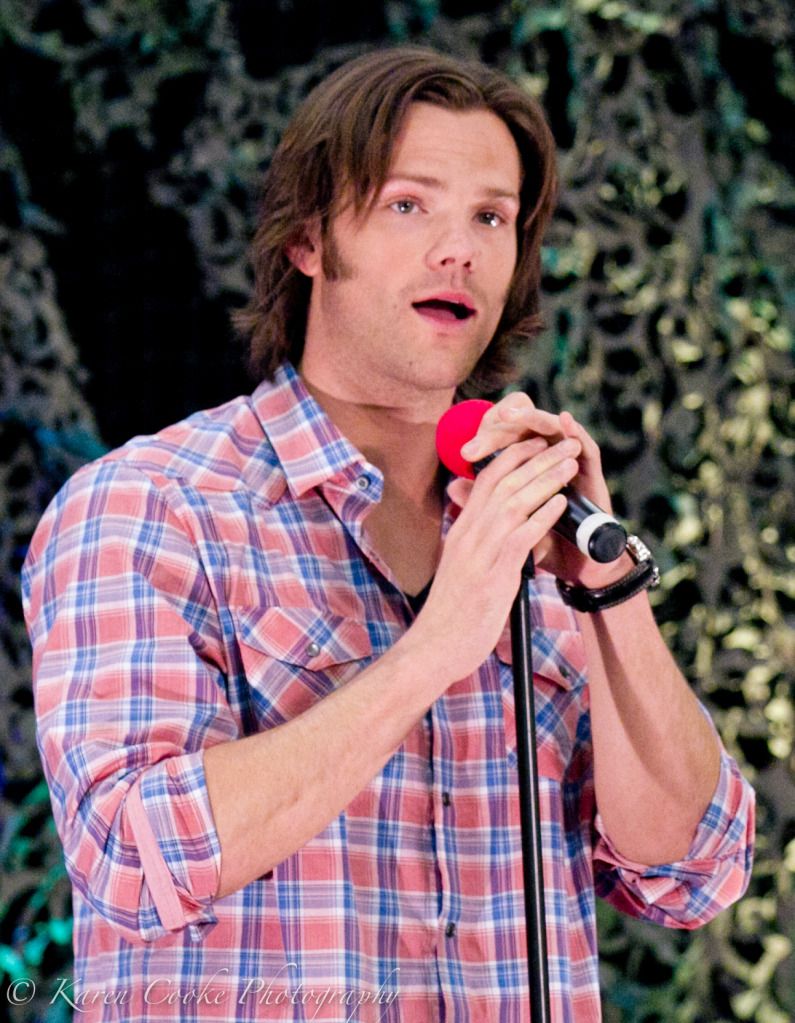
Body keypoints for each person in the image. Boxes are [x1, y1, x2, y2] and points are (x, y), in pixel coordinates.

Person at [23, 47, 754, 1023]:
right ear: (308, 239)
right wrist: (436, 647)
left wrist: (606, 591)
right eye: (409, 205)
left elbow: (693, 870)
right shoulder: (153, 505)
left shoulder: (526, 524)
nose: (459, 250)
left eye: (492, 217)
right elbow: (130, 856)